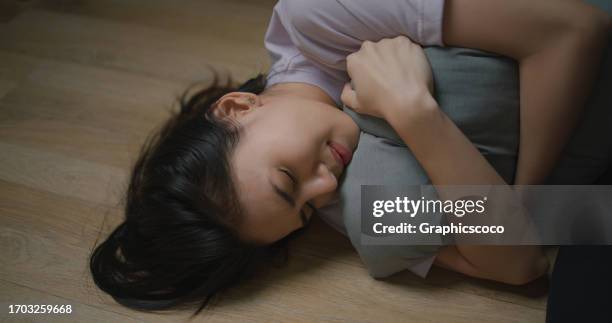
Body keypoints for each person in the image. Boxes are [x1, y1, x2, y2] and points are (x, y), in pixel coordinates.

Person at [89, 0, 611, 316]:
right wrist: (415, 114)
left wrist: (517, 206)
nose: (323, 191)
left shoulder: (321, 17)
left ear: (237, 107)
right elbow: (519, 264)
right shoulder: (350, 201)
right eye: (304, 214)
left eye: (287, 179)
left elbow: (576, 28)